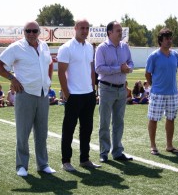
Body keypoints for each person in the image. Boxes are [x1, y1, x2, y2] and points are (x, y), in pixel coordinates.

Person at [0, 21, 55, 176]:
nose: (31, 34)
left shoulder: (44, 46)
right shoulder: (16, 47)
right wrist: (12, 79)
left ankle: (43, 164)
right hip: (25, 94)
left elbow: (50, 64)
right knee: (23, 132)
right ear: (24, 32)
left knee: (42, 132)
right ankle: (21, 166)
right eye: (28, 31)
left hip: (42, 94)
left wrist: (48, 82)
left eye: (34, 31)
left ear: (39, 32)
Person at [57, 19, 100, 171]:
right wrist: (67, 94)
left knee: (87, 129)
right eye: (82, 27)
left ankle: (84, 159)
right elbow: (61, 72)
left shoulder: (89, 47)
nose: (85, 30)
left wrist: (93, 90)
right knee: (68, 129)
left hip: (88, 95)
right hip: (73, 95)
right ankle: (66, 161)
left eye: (87, 28)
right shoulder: (66, 48)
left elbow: (91, 69)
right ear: (75, 28)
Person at [95, 21, 134, 162]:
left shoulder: (125, 47)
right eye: (118, 30)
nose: (120, 33)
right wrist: (120, 68)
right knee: (104, 122)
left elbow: (131, 63)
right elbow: (99, 68)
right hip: (106, 88)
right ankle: (104, 153)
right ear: (109, 32)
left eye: (121, 30)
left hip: (121, 89)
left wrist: (128, 68)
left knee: (119, 122)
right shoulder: (102, 48)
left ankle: (117, 152)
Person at [145, 28, 178, 155]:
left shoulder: (175, 55)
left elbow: (174, 71)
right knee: (153, 119)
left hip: (172, 93)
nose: (169, 41)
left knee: (171, 119)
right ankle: (153, 146)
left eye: (170, 38)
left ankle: (169, 145)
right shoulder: (153, 56)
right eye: (166, 39)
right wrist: (154, 86)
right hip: (157, 93)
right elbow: (148, 74)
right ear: (160, 40)